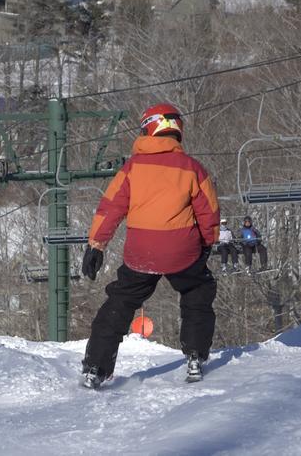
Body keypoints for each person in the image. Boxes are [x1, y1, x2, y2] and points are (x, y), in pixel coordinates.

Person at [80, 103, 220, 389]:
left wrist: (96, 245)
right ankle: (195, 355)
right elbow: (209, 212)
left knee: (119, 302)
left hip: (141, 253)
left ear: (148, 128)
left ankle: (96, 366)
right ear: (176, 130)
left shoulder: (132, 168)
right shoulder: (192, 169)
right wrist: (207, 243)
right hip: (183, 251)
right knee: (197, 292)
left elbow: (110, 208)